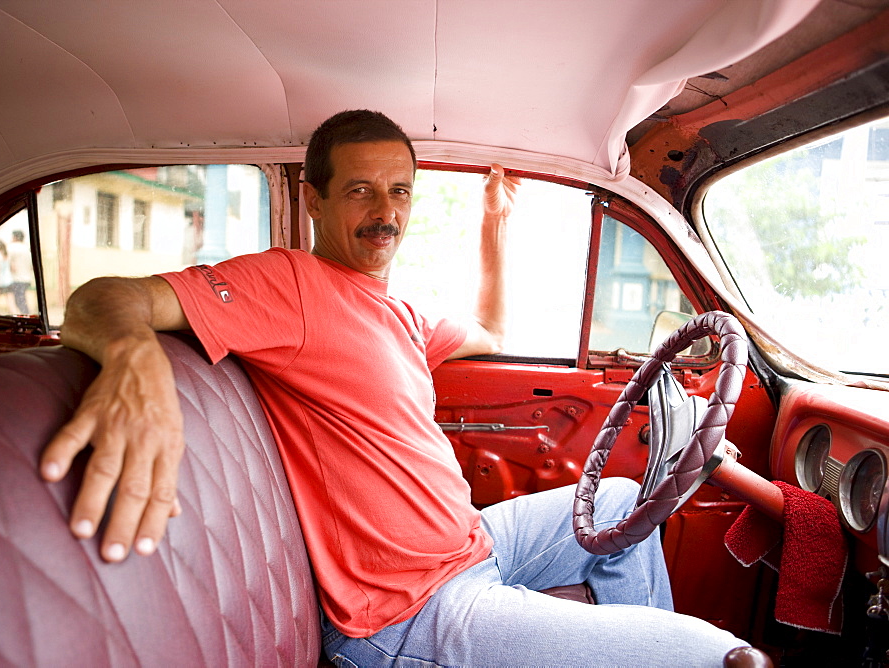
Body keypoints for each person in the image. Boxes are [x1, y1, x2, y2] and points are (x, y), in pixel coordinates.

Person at [40, 110, 748, 665]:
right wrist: (134, 357)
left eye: (399, 190)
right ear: (315, 201)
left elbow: (488, 332)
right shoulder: (289, 284)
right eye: (360, 191)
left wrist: (494, 226)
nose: (385, 211)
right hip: (405, 612)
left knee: (624, 503)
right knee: (720, 656)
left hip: (472, 546)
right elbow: (104, 297)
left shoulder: (400, 311)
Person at [8, 229, 33, 314]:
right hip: (26, 278)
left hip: (17, 278)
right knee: (21, 299)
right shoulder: (26, 248)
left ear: (15, 237)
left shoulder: (12, 247)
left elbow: (9, 262)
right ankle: (26, 314)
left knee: (19, 300)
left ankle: (27, 315)